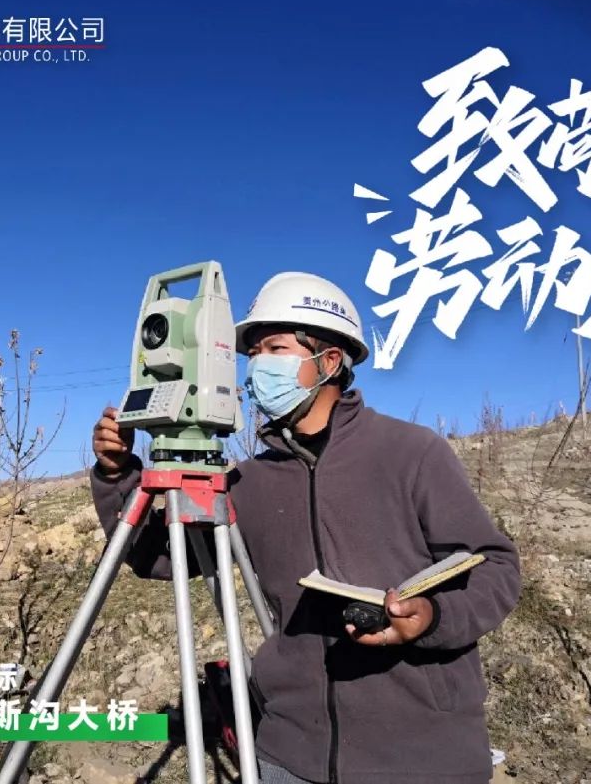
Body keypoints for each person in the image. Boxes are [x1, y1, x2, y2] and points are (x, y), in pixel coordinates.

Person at [90, 271, 521, 783]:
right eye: (253, 354)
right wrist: (116, 475)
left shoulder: (411, 452)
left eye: (275, 348)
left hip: (421, 755)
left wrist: (432, 617)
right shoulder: (248, 481)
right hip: (290, 755)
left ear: (329, 361)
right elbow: (158, 555)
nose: (257, 367)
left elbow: (495, 568)